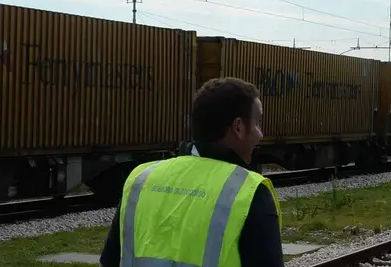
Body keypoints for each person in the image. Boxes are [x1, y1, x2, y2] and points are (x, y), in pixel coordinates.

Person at [99, 77, 284, 267]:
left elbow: (111, 261)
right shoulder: (249, 192)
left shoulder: (142, 178)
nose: (260, 134)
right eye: (257, 124)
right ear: (238, 127)